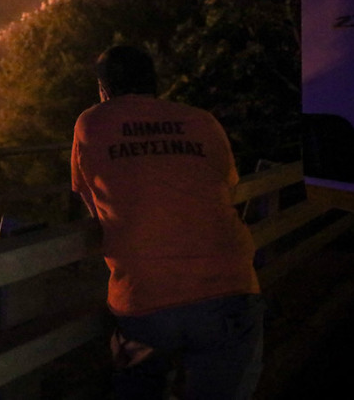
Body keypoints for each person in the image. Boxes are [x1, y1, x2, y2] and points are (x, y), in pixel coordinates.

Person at [70, 45, 264, 400]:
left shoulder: (91, 122)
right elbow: (227, 187)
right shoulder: (203, 120)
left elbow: (95, 206)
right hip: (229, 288)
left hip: (145, 299)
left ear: (103, 90)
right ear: (155, 84)